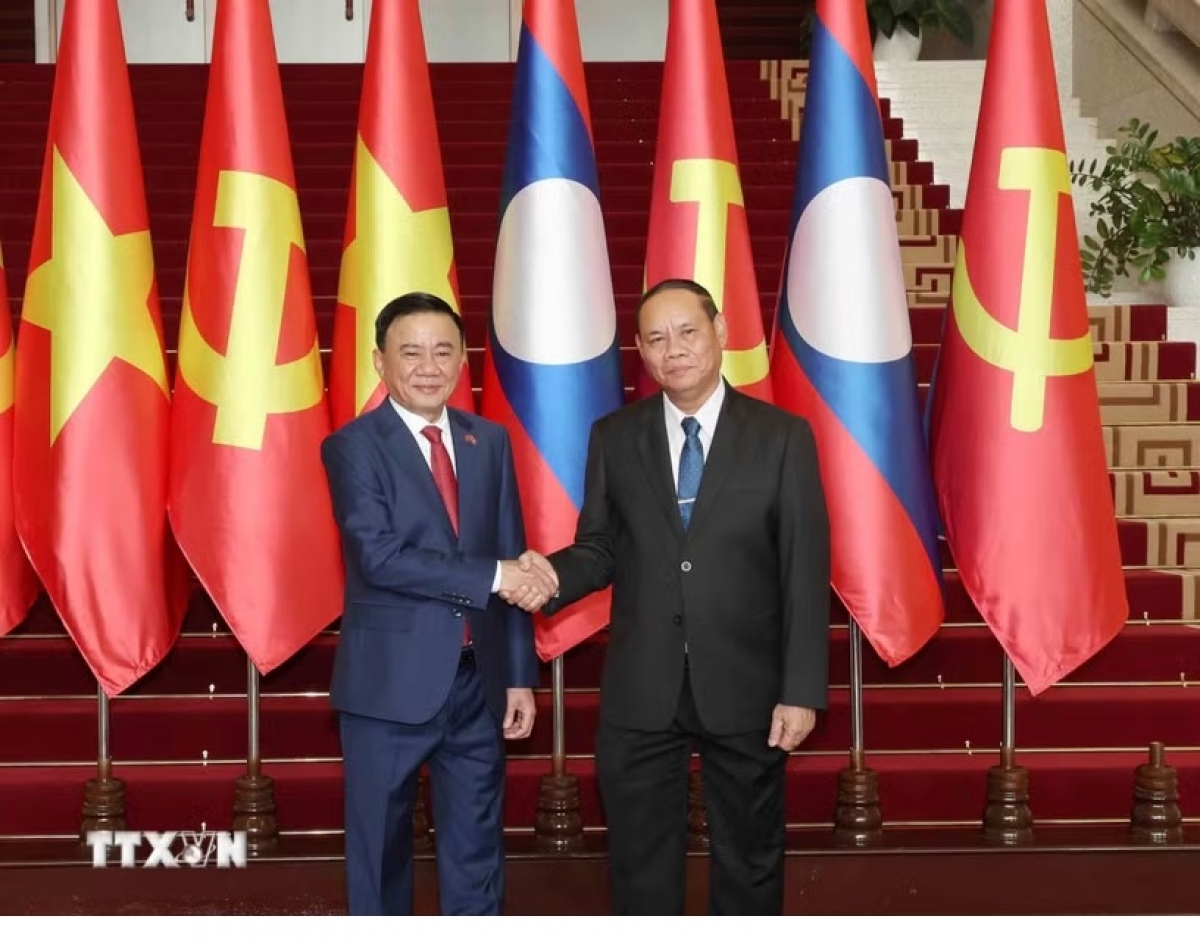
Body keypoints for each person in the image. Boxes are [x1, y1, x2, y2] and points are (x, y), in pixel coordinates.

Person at [521, 278, 832, 915]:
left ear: (719, 333)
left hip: (747, 686)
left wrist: (801, 690)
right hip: (642, 688)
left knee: (749, 861)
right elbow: (600, 547)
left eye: (688, 331)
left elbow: (803, 567)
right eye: (657, 339)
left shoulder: (782, 437)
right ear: (640, 349)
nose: (674, 350)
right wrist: (548, 576)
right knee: (639, 867)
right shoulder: (615, 435)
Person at [320, 291, 555, 916]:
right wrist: (499, 574)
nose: (429, 365)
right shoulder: (353, 447)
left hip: (479, 684)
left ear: (461, 362)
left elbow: (508, 547)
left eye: (444, 350)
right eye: (411, 351)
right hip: (388, 688)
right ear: (380, 361)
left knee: (478, 849)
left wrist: (520, 677)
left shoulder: (489, 441)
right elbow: (382, 558)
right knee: (381, 853)